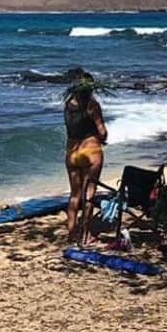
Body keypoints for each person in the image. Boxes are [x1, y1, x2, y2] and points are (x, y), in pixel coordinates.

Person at [62, 71, 107, 244]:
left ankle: (72, 233)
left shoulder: (68, 104)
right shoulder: (92, 105)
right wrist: (103, 138)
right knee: (89, 194)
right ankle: (86, 234)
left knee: (74, 195)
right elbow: (101, 130)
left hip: (72, 153)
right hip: (91, 152)